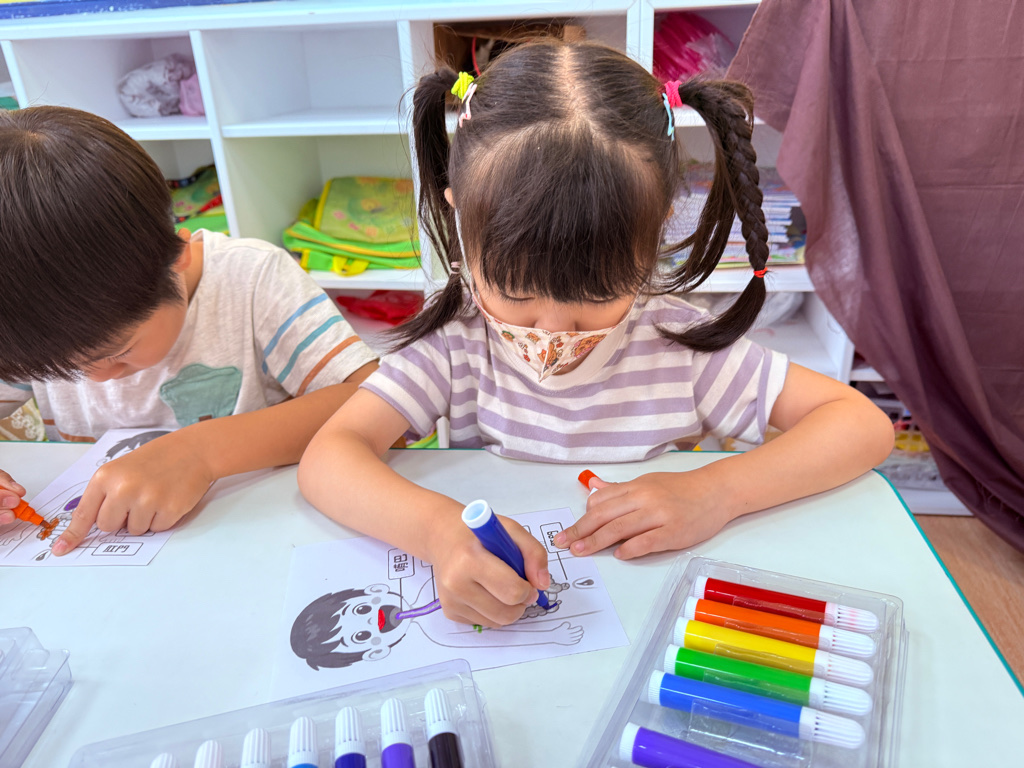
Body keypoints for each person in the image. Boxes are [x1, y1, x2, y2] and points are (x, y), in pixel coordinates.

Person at [297, 40, 894, 629]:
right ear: (460, 218)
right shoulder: (457, 344)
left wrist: (717, 491)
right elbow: (329, 457)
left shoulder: (677, 345)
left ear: (655, 231)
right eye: (518, 291)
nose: (554, 331)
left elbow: (860, 424)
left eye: (595, 292)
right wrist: (437, 530)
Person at [0, 106, 377, 553]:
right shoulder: (25, 323)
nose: (95, 378)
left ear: (177, 255)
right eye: (61, 370)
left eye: (119, 351)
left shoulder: (253, 279)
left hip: (257, 538)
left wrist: (203, 451)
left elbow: (377, 401)